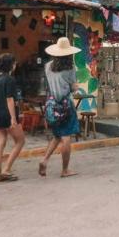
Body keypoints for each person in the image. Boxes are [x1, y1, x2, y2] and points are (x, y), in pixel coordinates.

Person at [39, 37, 82, 178]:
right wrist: (75, 86)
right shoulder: (70, 68)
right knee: (66, 136)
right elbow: (74, 87)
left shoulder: (48, 66)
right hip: (65, 105)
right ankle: (65, 170)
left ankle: (44, 160)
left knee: (57, 135)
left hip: (52, 104)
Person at [0, 53, 25, 183]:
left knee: (0, 144)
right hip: (7, 115)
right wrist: (13, 119)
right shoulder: (10, 80)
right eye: (14, 63)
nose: (15, 65)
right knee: (20, 141)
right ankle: (7, 169)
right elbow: (10, 100)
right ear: (11, 65)